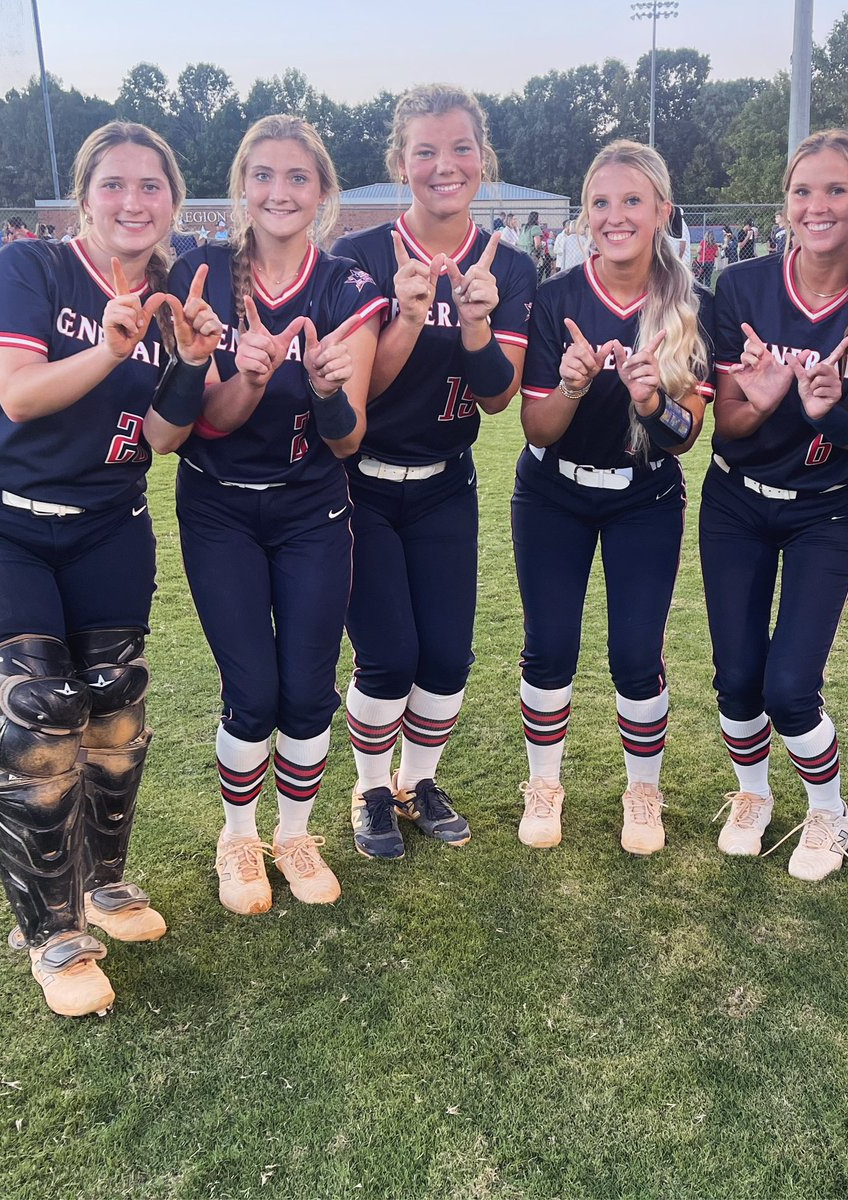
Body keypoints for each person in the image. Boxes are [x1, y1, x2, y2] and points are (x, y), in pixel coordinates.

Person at [0, 121, 221, 1017]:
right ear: (84, 195)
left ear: (174, 201)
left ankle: (102, 884)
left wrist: (193, 364)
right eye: (114, 186)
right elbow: (18, 396)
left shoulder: (178, 292)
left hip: (105, 523)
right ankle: (50, 930)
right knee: (41, 707)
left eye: (152, 188)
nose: (133, 203)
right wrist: (112, 346)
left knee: (115, 702)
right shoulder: (31, 269)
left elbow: (168, 438)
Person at [151, 115, 386, 914]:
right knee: (251, 688)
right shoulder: (202, 273)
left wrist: (322, 390)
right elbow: (191, 428)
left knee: (309, 687)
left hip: (312, 509)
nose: (280, 192)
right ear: (241, 186)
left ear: (322, 191)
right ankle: (239, 836)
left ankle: (294, 831)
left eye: (297, 177)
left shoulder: (347, 286)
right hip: (220, 507)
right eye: (264, 175)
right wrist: (248, 376)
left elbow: (348, 439)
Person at [705, 130, 848, 880]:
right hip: (736, 502)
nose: (818, 205)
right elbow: (729, 425)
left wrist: (824, 409)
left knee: (789, 686)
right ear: (786, 201)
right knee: (738, 679)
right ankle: (753, 794)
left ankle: (828, 809)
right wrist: (767, 401)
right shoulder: (741, 286)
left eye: (836, 189)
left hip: (824, 509)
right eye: (804, 190)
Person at [332, 84, 536, 860]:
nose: (443, 165)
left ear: (482, 162)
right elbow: (357, 397)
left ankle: (418, 782)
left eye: (459, 149)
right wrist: (409, 315)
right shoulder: (358, 258)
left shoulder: (507, 265)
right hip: (363, 483)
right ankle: (371, 786)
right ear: (399, 163)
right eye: (425, 150)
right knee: (388, 656)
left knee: (447, 656)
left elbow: (495, 398)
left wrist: (478, 324)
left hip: (447, 479)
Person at [515, 138, 712, 855]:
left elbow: (686, 434)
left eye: (632, 200)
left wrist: (655, 403)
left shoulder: (691, 304)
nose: (615, 215)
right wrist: (570, 386)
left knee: (636, 653)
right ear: (584, 216)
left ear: (661, 209)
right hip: (553, 495)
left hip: (644, 495)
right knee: (550, 647)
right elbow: (536, 428)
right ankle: (544, 786)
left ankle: (643, 791)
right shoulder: (556, 297)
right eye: (601, 202)